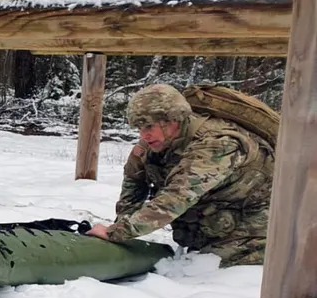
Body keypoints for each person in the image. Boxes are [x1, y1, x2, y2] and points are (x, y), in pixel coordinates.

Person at [86, 83, 274, 268]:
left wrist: (118, 232)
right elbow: (134, 184)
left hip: (254, 229)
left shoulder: (218, 144)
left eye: (149, 127)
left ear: (172, 121)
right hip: (210, 225)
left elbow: (178, 196)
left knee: (208, 266)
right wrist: (119, 231)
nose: (144, 136)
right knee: (195, 260)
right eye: (139, 129)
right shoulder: (153, 146)